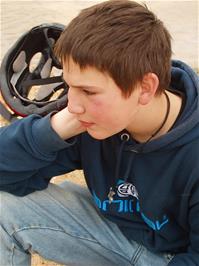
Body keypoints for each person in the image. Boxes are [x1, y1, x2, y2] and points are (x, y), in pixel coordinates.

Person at [0, 0, 198, 265]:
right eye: (70, 86)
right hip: (116, 234)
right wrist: (51, 130)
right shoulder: (91, 118)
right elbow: (7, 178)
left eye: (89, 91)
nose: (72, 105)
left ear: (145, 88)